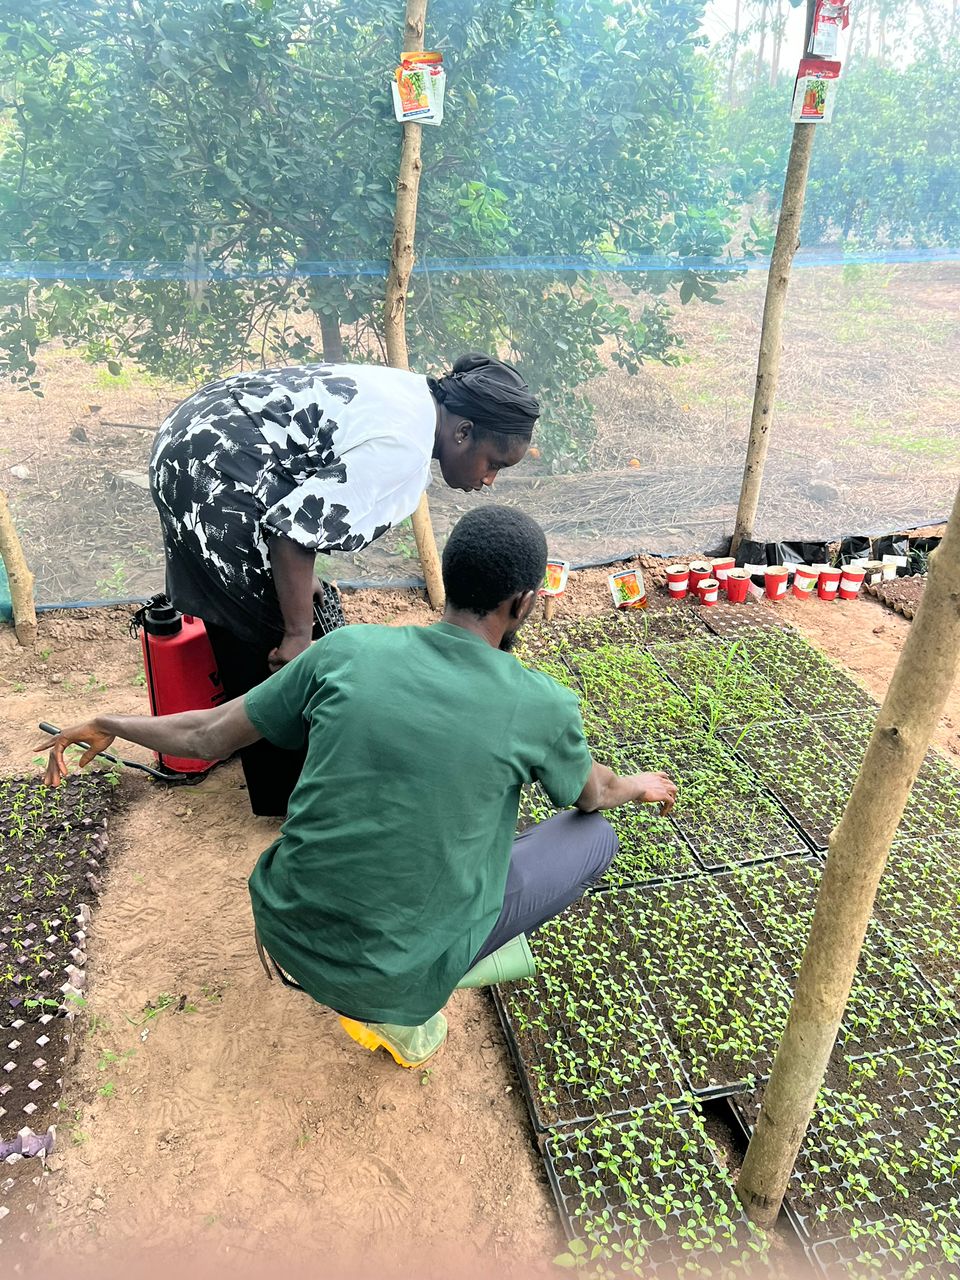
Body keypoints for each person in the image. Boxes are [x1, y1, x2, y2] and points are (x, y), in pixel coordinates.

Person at [39, 506, 676, 1071]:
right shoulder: (541, 704)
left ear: (450, 580)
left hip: (287, 929)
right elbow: (592, 794)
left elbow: (207, 733)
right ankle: (409, 1000)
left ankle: (395, 973)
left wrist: (110, 723)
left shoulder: (344, 651)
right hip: (390, 974)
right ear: (524, 603)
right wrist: (639, 786)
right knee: (592, 835)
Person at [148, 353, 540, 816]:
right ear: (463, 432)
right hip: (214, 464)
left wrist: (303, 582)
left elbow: (304, 484)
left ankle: (234, 737)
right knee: (273, 637)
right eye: (493, 463)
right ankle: (286, 792)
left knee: (280, 603)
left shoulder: (415, 396)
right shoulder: (402, 446)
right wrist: (296, 637)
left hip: (200, 434)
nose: (490, 480)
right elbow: (293, 533)